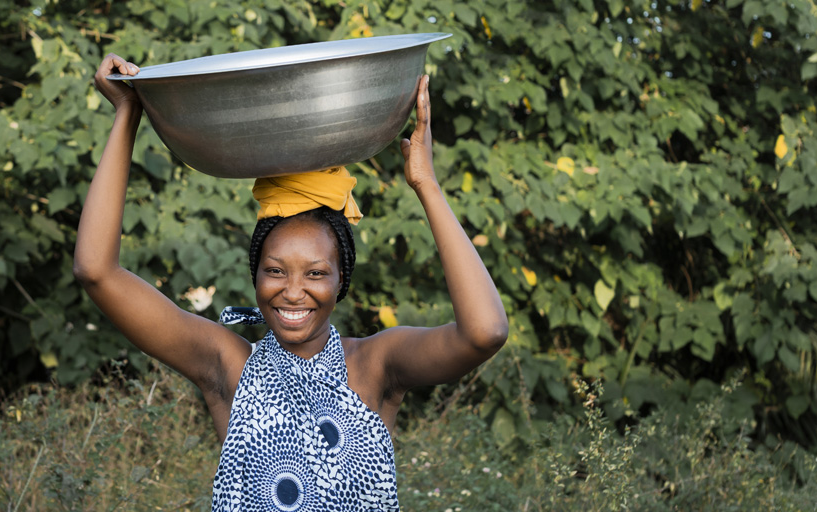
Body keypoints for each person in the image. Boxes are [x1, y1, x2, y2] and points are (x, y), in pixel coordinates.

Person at [75, 53, 509, 511]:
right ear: (255, 274)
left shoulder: (375, 366)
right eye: (276, 270)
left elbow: (485, 333)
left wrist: (426, 183)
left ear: (342, 280)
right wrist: (128, 113)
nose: (293, 291)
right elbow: (96, 272)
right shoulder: (229, 367)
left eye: (316, 273)